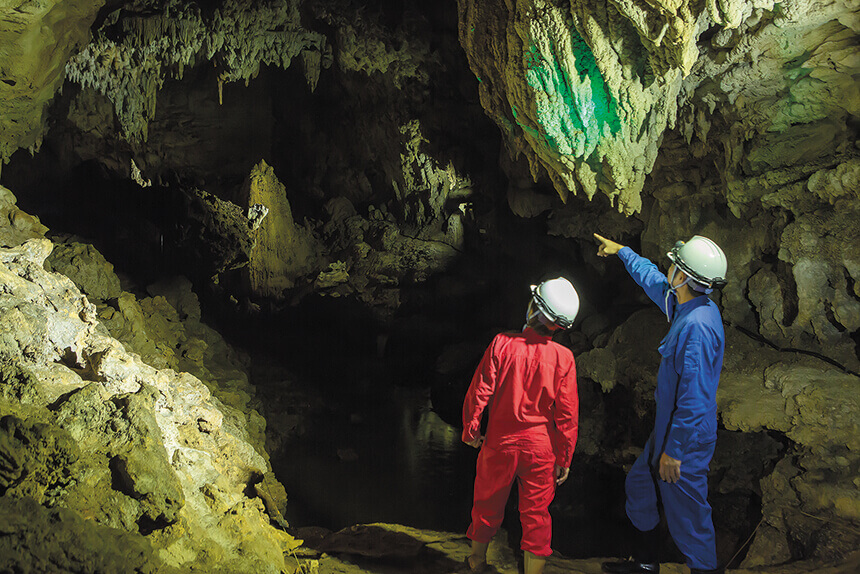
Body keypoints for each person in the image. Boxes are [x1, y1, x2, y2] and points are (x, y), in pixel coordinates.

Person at [593, 233, 727, 574]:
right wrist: (623, 252)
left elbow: (696, 399)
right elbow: (654, 281)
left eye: (674, 264)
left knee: (688, 516)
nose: (669, 267)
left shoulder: (697, 327)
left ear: (682, 276)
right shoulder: (692, 305)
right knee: (639, 485)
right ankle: (645, 566)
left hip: (687, 438)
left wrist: (675, 451)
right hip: (669, 428)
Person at [461, 277, 580, 574]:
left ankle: (476, 563)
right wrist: (565, 457)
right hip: (541, 449)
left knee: (487, 504)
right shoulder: (564, 358)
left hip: (500, 443)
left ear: (534, 309)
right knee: (537, 515)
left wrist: (471, 430)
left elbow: (480, 391)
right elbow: (567, 414)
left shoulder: (502, 343)